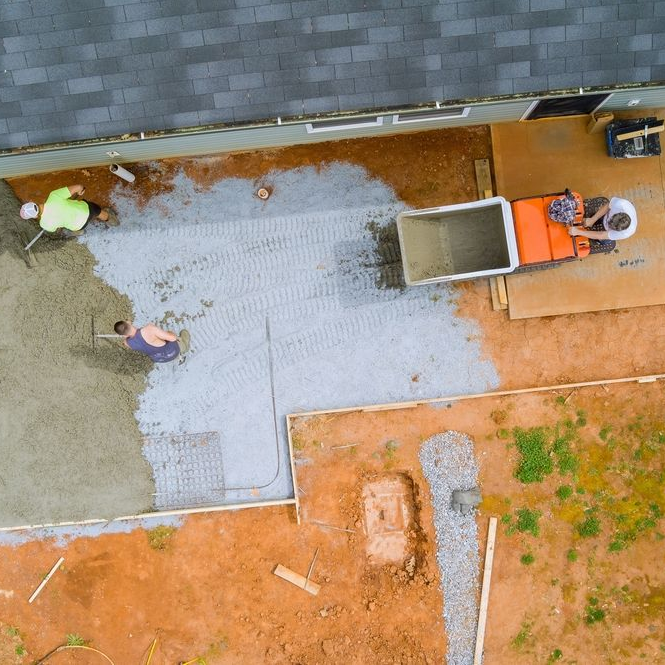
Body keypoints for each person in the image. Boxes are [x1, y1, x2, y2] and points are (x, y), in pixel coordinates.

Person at [19, 184, 119, 235]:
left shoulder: (44, 224)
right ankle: (112, 221)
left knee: (71, 229)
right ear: (33, 202)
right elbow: (79, 186)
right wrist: (80, 191)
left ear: (35, 216)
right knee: (100, 213)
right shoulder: (54, 196)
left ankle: (79, 233)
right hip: (88, 210)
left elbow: (56, 229)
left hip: (78, 225)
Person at [568, 196, 637, 246]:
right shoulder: (621, 204)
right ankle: (597, 220)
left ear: (618, 230)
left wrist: (578, 232)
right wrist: (593, 219)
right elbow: (607, 206)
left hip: (607, 235)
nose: (608, 223)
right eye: (609, 221)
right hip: (605, 216)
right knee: (598, 218)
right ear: (617, 213)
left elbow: (601, 235)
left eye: (611, 227)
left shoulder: (625, 233)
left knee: (603, 241)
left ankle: (600, 242)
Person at [114, 320, 190, 365]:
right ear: (128, 323)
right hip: (172, 352)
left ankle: (176, 357)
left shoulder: (127, 343)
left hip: (160, 359)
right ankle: (183, 346)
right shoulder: (149, 329)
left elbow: (129, 339)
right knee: (170, 333)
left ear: (124, 335)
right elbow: (172, 338)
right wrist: (172, 335)